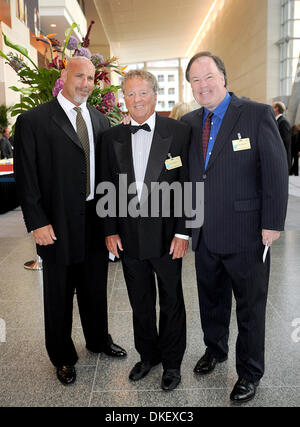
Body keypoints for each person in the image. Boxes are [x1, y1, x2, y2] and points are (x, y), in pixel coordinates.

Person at [181, 52, 288, 403]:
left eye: (208, 76)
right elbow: (188, 176)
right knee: (211, 301)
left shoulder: (255, 114)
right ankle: (216, 350)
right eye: (195, 80)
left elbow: (274, 171)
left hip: (247, 232)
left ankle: (250, 372)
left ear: (223, 77)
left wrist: (272, 223)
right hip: (205, 232)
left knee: (250, 306)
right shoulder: (190, 122)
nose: (203, 85)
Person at [14, 56, 126, 386]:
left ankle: (98, 340)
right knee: (59, 293)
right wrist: (37, 222)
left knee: (95, 288)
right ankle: (62, 356)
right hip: (56, 223)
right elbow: (26, 177)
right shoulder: (34, 120)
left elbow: (107, 178)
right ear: (64, 75)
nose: (86, 84)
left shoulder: (101, 121)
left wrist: (111, 226)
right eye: (80, 76)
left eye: (91, 78)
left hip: (94, 220)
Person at [100, 69, 190, 391]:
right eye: (130, 93)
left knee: (171, 300)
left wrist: (184, 232)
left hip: (168, 236)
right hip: (129, 235)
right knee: (139, 301)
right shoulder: (112, 136)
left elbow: (189, 183)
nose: (136, 99)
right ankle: (147, 356)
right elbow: (105, 185)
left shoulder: (179, 132)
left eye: (142, 93)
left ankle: (172, 363)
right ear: (124, 98)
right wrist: (110, 230)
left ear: (155, 94)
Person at [272, 101, 292, 170]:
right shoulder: (277, 121)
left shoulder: (283, 122)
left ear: (276, 109)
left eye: (272, 107)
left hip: (282, 159)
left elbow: (285, 140)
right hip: (279, 158)